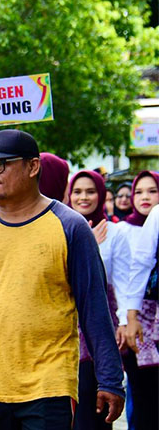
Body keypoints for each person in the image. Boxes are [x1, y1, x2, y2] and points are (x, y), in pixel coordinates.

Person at [0, 129, 125, 429]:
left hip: (49, 386)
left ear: (32, 167)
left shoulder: (70, 227)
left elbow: (94, 310)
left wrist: (110, 378)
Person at [66, 170, 136, 430]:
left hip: (97, 329)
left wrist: (124, 322)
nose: (83, 197)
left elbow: (123, 280)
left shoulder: (115, 232)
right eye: (77, 191)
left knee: (93, 406)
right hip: (64, 328)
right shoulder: (60, 228)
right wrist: (87, 244)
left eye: (90, 191)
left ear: (101, 194)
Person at [117, 170, 159, 430]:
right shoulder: (158, 215)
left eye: (151, 190)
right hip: (149, 323)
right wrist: (130, 317)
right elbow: (140, 266)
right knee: (147, 402)